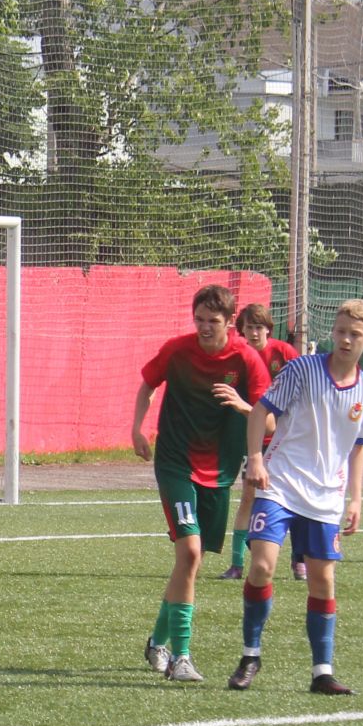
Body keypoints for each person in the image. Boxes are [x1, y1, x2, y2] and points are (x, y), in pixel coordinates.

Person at [228, 300, 363, 696]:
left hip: (326, 497)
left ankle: (322, 672)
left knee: (323, 580)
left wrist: (356, 499)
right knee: (262, 566)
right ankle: (250, 655)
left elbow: (359, 448)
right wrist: (256, 459)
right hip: (280, 483)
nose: (345, 339)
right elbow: (260, 411)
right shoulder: (301, 370)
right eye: (341, 331)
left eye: (355, 334)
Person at [133, 284, 270, 684]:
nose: (205, 327)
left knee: (189, 563)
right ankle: (181, 657)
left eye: (213, 321)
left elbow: (270, 420)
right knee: (190, 552)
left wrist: (244, 406)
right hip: (175, 463)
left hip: (219, 472)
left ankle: (157, 642)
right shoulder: (178, 351)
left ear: (231, 322)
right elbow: (148, 383)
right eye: (199, 320)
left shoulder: (246, 359)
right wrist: (137, 428)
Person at [219, 303, 303, 581]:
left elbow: (302, 389)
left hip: (286, 440)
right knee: (248, 497)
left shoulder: (284, 354)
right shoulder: (238, 358)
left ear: (269, 329)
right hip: (254, 440)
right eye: (249, 328)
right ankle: (236, 563)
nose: (254, 333)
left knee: (294, 497)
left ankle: (299, 560)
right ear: (241, 330)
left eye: (259, 327)